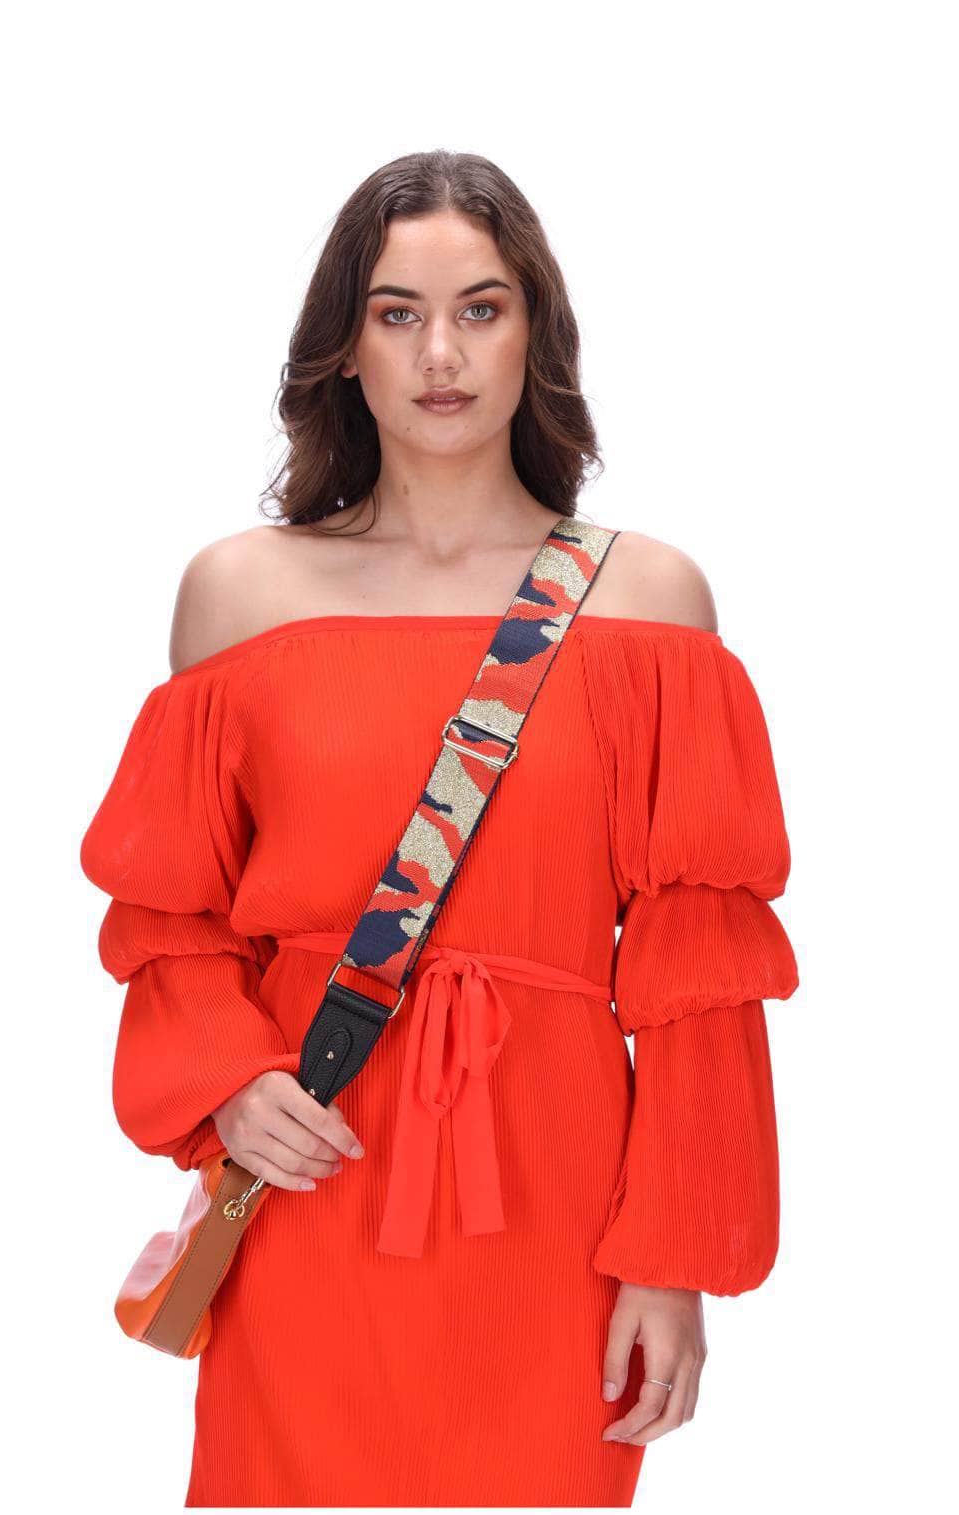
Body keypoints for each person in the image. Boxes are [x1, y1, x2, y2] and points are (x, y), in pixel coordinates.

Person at [79, 149, 799, 1508]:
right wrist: (227, 1076)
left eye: (481, 308)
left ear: (537, 334)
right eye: (397, 313)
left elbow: (700, 962)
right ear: (344, 346)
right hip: (314, 1161)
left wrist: (674, 1261)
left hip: (558, 1198)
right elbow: (170, 910)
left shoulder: (649, 604)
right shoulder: (241, 595)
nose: (441, 356)